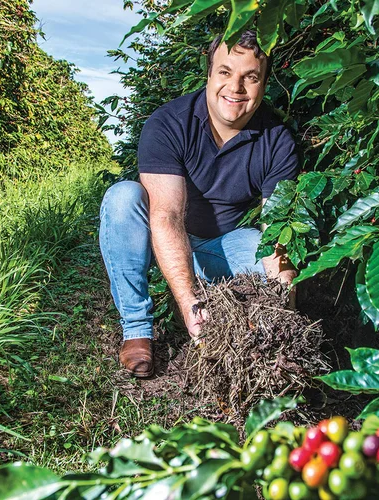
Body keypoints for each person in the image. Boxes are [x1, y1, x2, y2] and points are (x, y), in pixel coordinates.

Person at [99, 30, 299, 378]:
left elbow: (276, 231)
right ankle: (136, 328)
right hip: (161, 234)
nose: (235, 88)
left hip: (222, 242)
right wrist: (190, 306)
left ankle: (217, 295)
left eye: (250, 77)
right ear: (209, 74)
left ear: (264, 83)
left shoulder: (277, 139)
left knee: (259, 252)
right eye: (225, 72)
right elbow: (166, 216)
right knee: (122, 198)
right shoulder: (169, 123)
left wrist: (287, 307)